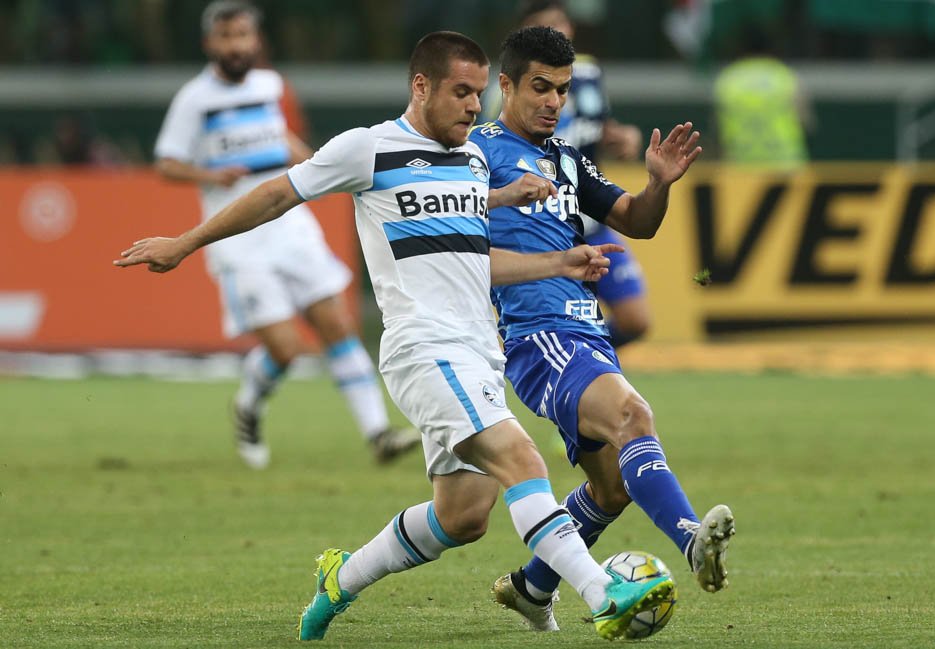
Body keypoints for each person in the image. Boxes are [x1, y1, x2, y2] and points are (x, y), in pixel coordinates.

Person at [115, 30, 677, 642]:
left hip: (478, 352)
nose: (472, 106)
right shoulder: (367, 148)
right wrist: (186, 241)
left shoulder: (470, 160)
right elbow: (278, 193)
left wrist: (553, 258)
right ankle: (603, 593)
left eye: (477, 93)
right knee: (523, 459)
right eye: (461, 92)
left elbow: (465, 250)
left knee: (463, 517)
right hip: (424, 348)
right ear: (421, 86)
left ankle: (342, 578)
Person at [468, 26, 735, 632]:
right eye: (540, 88)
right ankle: (691, 538)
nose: (553, 103)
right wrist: (506, 196)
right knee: (633, 416)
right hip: (537, 335)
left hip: (585, 332)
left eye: (562, 91)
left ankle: (532, 588)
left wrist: (659, 186)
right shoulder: (476, 151)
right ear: (504, 85)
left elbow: (636, 222)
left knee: (611, 490)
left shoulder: (567, 159)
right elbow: (447, 222)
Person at [152, 1, 418, 469]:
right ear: (209, 43)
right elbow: (166, 162)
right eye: (226, 36)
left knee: (336, 325)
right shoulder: (195, 99)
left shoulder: (271, 85)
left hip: (291, 226)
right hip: (239, 238)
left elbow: (282, 137)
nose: (236, 45)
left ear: (257, 40)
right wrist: (209, 175)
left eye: (244, 35)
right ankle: (248, 406)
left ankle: (378, 433)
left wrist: (310, 159)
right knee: (286, 348)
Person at [497, 0, 652, 348]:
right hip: (543, 221)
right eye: (545, 26)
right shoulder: (506, 89)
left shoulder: (589, 73)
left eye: (561, 23)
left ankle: (580, 354)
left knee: (636, 319)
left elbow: (598, 127)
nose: (557, 31)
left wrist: (624, 138)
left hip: (590, 216)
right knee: (553, 318)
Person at [713, 27, 812, 169]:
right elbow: (805, 123)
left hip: (741, 167)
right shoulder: (786, 76)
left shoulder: (728, 79)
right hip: (786, 166)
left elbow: (718, 129)